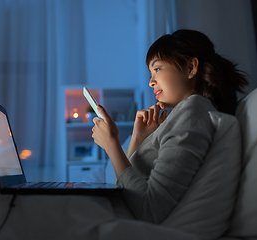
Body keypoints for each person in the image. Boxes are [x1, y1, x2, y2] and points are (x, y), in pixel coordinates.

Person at [91, 29, 248, 224]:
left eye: (157, 69)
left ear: (191, 67)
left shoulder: (193, 113)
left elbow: (150, 208)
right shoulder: (184, 113)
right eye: (151, 72)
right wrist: (138, 139)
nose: (151, 82)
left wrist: (112, 145)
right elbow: (124, 186)